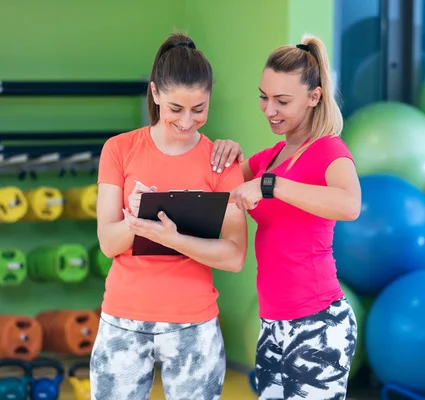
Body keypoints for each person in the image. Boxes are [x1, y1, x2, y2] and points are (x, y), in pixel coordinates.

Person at [90, 32, 248, 400]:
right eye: (176, 108)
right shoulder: (119, 149)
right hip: (123, 320)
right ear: (156, 94)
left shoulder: (221, 160)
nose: (188, 121)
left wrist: (173, 238)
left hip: (194, 322)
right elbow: (108, 243)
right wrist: (134, 216)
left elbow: (235, 256)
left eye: (200, 109)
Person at [211, 34, 362, 399]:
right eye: (263, 97)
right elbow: (217, 193)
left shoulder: (328, 149)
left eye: (282, 101)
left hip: (318, 322)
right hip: (273, 323)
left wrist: (272, 186)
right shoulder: (271, 157)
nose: (269, 109)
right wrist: (225, 153)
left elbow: (349, 205)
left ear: (314, 97)